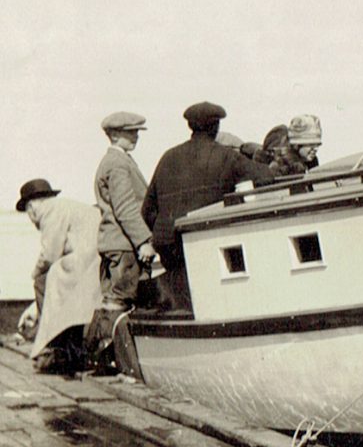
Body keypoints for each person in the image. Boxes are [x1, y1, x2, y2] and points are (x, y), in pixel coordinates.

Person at [142, 102, 273, 311]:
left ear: (191, 126)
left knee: (185, 303)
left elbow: (147, 209)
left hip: (169, 246)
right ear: (216, 127)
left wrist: (166, 229)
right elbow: (266, 177)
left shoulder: (167, 157)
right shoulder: (225, 156)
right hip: (205, 242)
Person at [86, 112, 156, 371]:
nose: (136, 136)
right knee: (121, 303)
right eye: (131, 132)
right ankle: (125, 368)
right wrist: (142, 242)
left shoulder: (115, 161)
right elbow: (126, 208)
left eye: (137, 131)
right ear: (115, 134)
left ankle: (101, 361)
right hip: (124, 244)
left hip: (112, 243)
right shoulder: (117, 164)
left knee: (111, 301)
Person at [15, 179, 102, 373]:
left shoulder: (50, 211)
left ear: (31, 207)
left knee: (42, 282)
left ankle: (55, 345)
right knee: (56, 283)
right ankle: (65, 347)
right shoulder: (64, 206)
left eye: (28, 212)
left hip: (86, 259)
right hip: (94, 255)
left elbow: (50, 254)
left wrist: (34, 272)